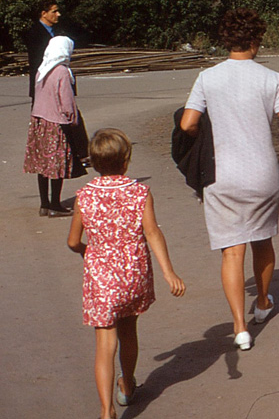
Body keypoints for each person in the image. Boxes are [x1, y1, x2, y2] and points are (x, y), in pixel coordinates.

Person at [179, 9, 279, 351]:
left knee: (231, 253)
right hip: (262, 174)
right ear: (255, 41)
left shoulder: (208, 78)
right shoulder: (271, 78)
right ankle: (263, 302)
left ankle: (239, 328)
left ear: (226, 40)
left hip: (221, 176)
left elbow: (187, 124)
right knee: (262, 242)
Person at [68, 129, 185, 419]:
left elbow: (72, 241)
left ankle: (106, 411)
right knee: (129, 332)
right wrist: (169, 272)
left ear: (94, 163)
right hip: (133, 273)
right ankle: (128, 385)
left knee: (105, 344)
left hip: (101, 278)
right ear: (126, 161)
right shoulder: (139, 192)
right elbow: (152, 232)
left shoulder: (84, 197)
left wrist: (88, 251)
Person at [25, 35, 84, 216]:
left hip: (39, 121)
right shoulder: (62, 72)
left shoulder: (41, 69)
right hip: (56, 123)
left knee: (43, 164)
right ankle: (55, 205)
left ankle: (44, 204)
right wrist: (73, 120)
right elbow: (66, 102)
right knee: (57, 164)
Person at [23, 0, 63, 101]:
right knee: (40, 112)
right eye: (54, 11)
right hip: (43, 81)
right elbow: (37, 60)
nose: (58, 14)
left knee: (69, 110)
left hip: (61, 81)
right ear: (44, 13)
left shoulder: (59, 31)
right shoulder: (34, 33)